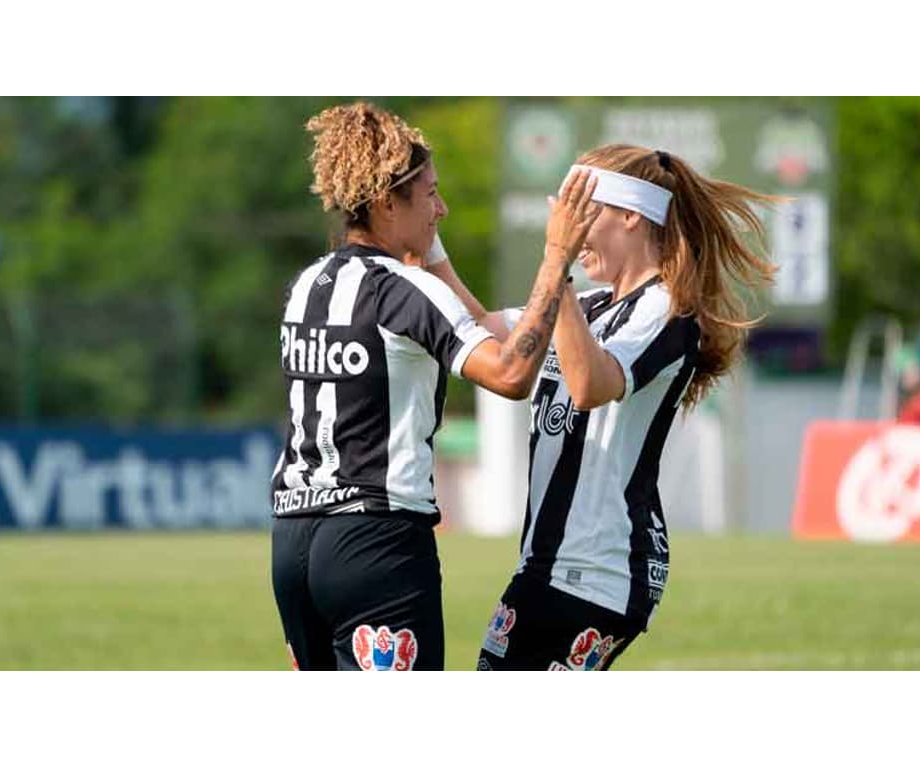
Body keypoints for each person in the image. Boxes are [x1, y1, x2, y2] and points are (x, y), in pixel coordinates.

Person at [269, 102, 600, 671]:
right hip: (377, 544)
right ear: (384, 202)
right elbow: (511, 373)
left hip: (292, 542)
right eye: (429, 195)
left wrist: (431, 249)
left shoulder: (307, 285)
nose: (441, 208)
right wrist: (555, 258)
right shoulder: (401, 289)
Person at [430, 144, 777, 670]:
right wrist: (423, 242)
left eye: (580, 215)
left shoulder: (667, 309)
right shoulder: (591, 303)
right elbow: (480, 329)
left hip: (595, 572)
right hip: (551, 565)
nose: (569, 231)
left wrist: (558, 266)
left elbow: (592, 383)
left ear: (632, 216)